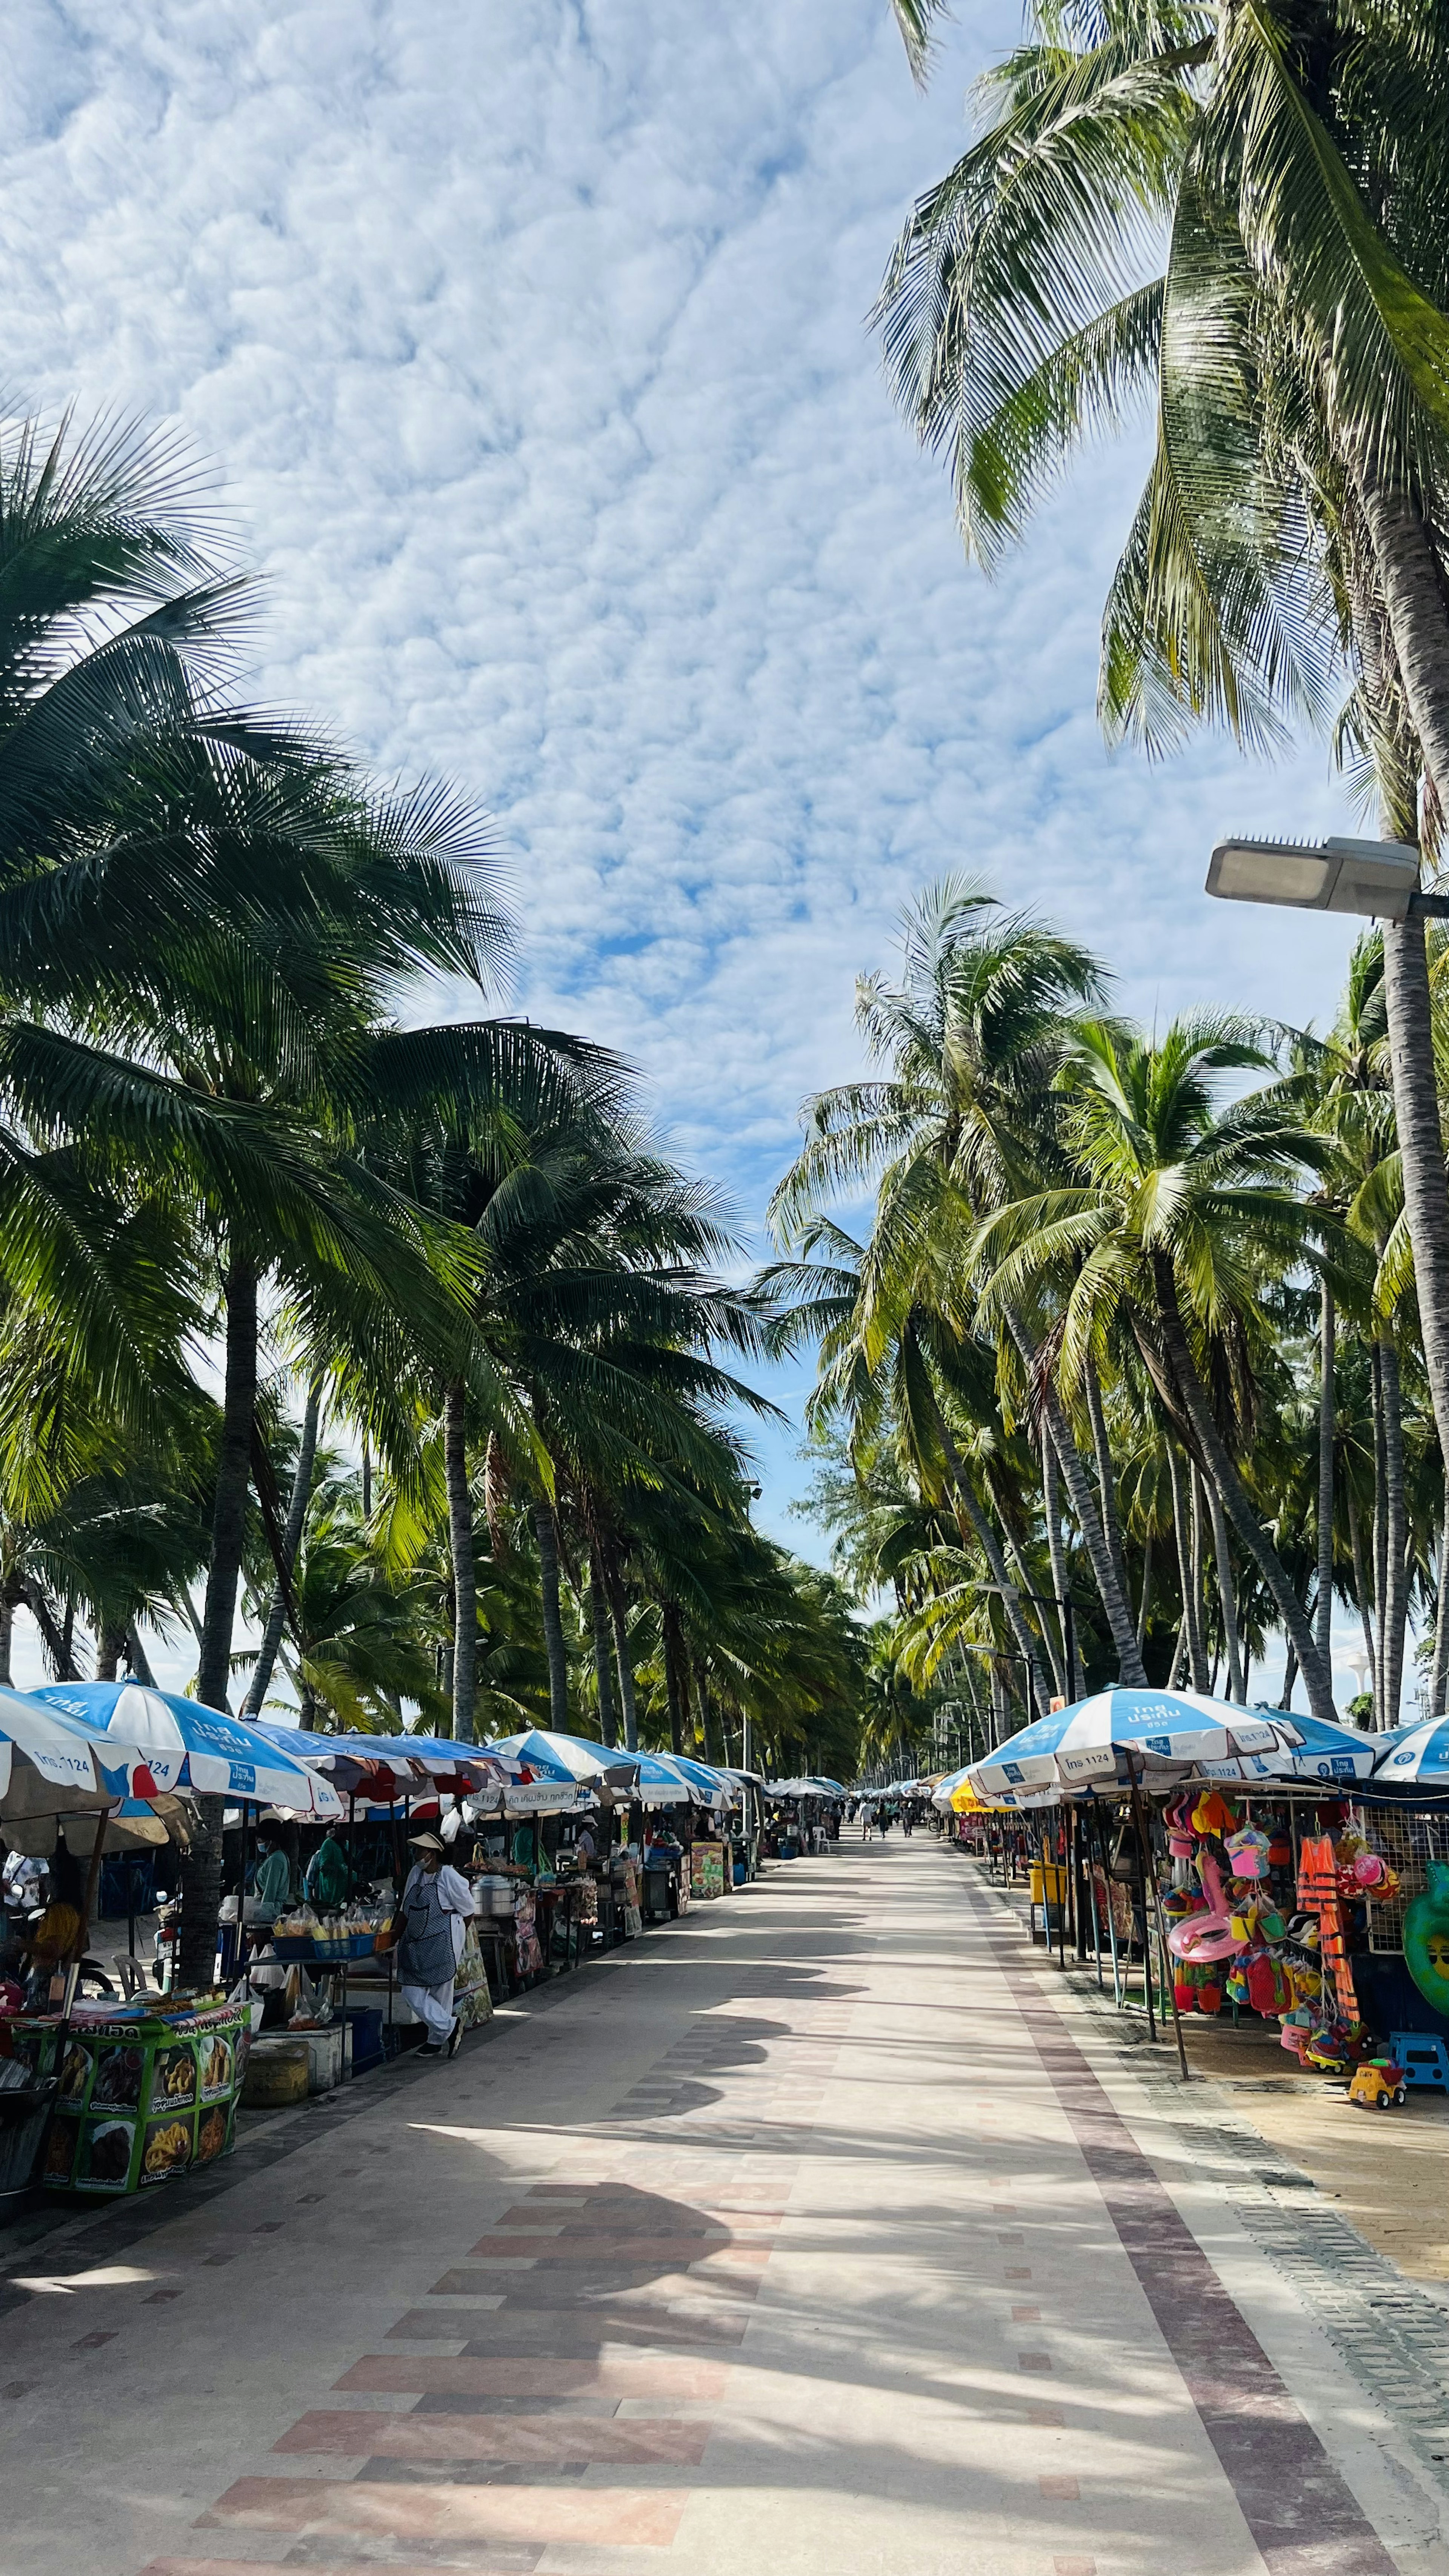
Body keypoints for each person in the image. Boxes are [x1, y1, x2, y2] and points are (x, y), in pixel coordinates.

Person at [397, 1829, 474, 2058]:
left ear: (432, 1853)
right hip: (418, 1939)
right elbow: (405, 1908)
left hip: (445, 1936)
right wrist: (396, 1935)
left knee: (442, 1991)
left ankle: (436, 2040)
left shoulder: (449, 1876)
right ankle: (449, 2028)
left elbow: (468, 1911)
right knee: (412, 1990)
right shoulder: (415, 1874)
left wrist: (456, 1938)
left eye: (420, 1850)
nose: (416, 1855)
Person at [251, 1824, 294, 1922]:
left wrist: (264, 1916)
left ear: (271, 1841)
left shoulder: (276, 1860)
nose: (258, 1842)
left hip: (271, 1914)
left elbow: (271, 1890)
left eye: (261, 1839)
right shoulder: (276, 1857)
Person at [304, 1827, 350, 1910]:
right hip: (329, 1893)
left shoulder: (347, 1845)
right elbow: (314, 1873)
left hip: (344, 1892)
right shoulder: (326, 1847)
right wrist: (311, 1896)